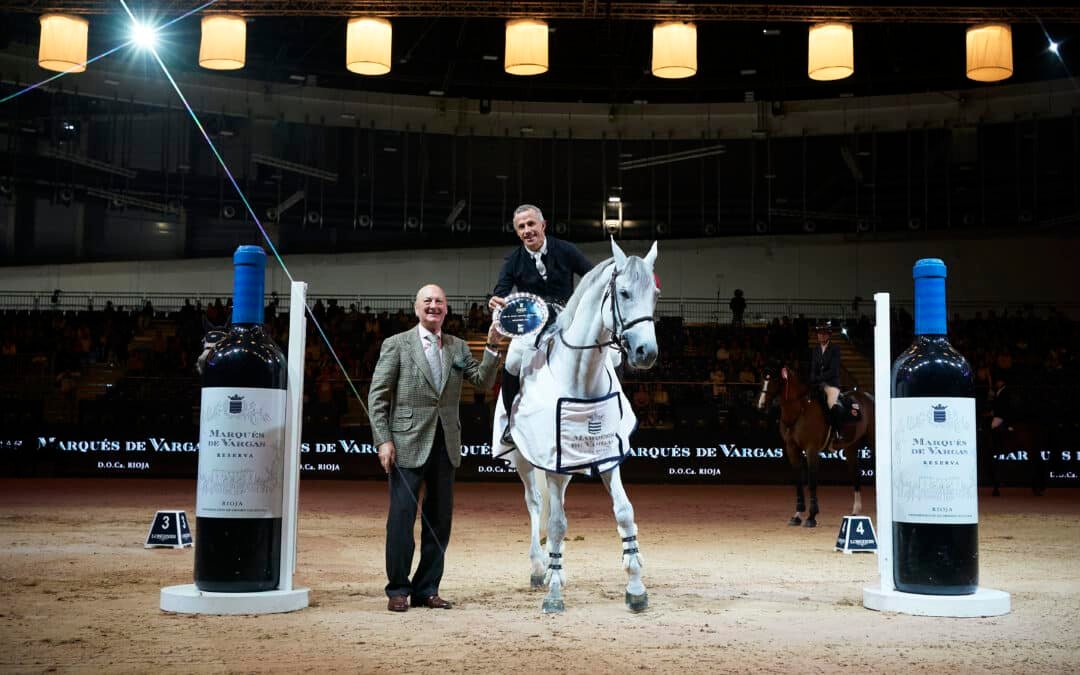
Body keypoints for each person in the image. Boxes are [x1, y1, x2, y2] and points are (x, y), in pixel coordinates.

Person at [368, 284, 503, 612]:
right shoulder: (397, 344)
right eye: (427, 301)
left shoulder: (457, 347)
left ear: (446, 310)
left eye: (439, 301)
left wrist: (494, 345)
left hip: (446, 444)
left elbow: (483, 382)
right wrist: (383, 440)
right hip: (405, 442)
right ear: (416, 309)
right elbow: (378, 396)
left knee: (439, 522)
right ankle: (398, 589)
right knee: (401, 519)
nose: (433, 306)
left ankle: (427, 588)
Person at [488, 203, 593, 439]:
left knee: (610, 354)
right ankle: (510, 425)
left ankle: (599, 416)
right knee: (513, 361)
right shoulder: (513, 260)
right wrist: (495, 301)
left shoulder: (567, 250)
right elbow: (500, 292)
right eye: (521, 226)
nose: (527, 230)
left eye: (531, 224)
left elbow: (591, 276)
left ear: (543, 225)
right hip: (531, 323)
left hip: (569, 319)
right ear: (517, 232)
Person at [808, 322, 845, 440]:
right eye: (819, 334)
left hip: (832, 384)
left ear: (829, 335)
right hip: (818, 383)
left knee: (832, 405)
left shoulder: (835, 349)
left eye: (824, 334)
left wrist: (818, 378)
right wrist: (812, 377)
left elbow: (833, 370)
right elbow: (814, 367)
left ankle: (838, 432)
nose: (821, 336)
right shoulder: (815, 350)